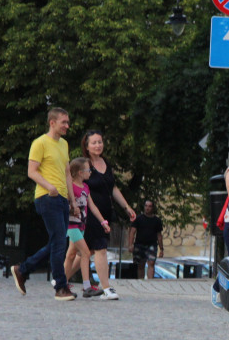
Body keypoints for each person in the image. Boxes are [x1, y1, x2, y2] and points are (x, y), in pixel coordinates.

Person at [11, 107, 78, 301]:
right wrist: (50, 187)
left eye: (68, 122)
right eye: (64, 122)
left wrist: (73, 201)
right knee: (59, 243)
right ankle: (60, 287)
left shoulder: (64, 144)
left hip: (62, 199)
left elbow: (67, 173)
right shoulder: (40, 143)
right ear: (52, 122)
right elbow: (31, 171)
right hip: (47, 197)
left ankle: (23, 270)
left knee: (57, 242)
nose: (67, 126)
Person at [82, 131, 136, 301]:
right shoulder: (84, 164)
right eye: (94, 142)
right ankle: (106, 288)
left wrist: (126, 207)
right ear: (87, 146)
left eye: (100, 142)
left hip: (105, 213)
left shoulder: (106, 163)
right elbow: (77, 186)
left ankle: (60, 281)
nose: (98, 145)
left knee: (84, 252)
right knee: (101, 248)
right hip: (90, 213)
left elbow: (113, 188)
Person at [63, 157, 109, 297]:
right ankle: (87, 286)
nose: (90, 172)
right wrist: (72, 208)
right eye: (88, 169)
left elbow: (92, 206)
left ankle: (61, 283)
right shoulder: (70, 187)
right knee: (86, 253)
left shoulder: (85, 187)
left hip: (81, 225)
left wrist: (103, 222)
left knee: (71, 255)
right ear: (80, 172)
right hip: (72, 225)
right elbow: (64, 205)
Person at [128, 200, 164, 280]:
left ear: (152, 208)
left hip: (152, 245)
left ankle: (150, 281)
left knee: (151, 263)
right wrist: (130, 244)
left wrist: (161, 248)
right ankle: (141, 281)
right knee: (140, 265)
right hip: (139, 244)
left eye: (149, 206)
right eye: (146, 206)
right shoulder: (138, 218)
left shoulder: (157, 220)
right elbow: (132, 232)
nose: (147, 208)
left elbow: (159, 235)